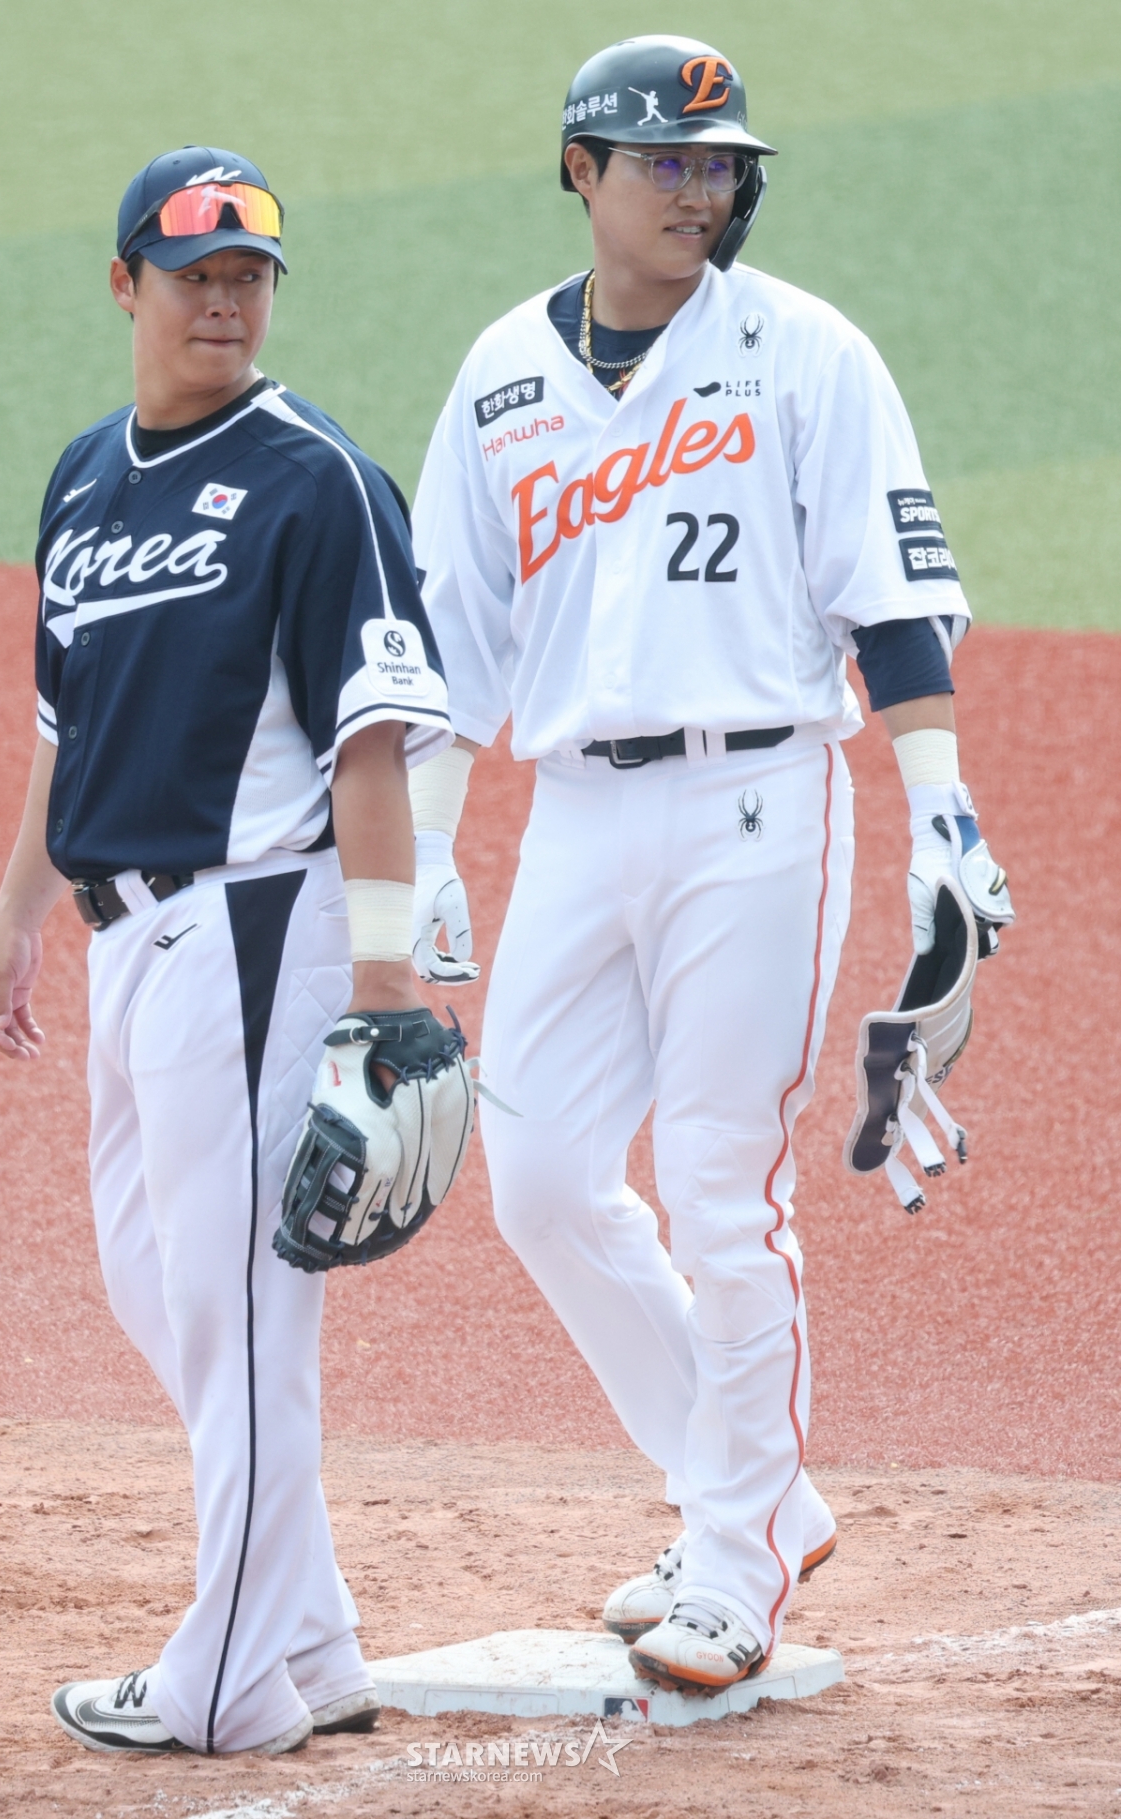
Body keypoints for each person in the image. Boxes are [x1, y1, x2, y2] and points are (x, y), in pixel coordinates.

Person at [408, 36, 1012, 1693]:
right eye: (665, 162)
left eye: (720, 165)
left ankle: (735, 1560)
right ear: (580, 171)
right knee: (538, 1179)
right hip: (575, 817)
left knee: (723, 1192)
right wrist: (432, 848)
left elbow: (893, 605)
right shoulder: (502, 378)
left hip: (759, 806)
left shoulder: (805, 352)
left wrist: (942, 814)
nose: (700, 190)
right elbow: (452, 648)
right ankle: (757, 1495)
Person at [0, 145, 451, 1754]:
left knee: (240, 1312)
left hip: (257, 924)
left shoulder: (317, 479)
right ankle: (310, 1635)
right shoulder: (83, 481)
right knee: (164, 1290)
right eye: (196, 275)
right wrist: (19, 914)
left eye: (250, 276)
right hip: (130, 940)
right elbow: (67, 726)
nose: (227, 300)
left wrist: (384, 990)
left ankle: (228, 1678)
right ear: (128, 286)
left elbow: (372, 744)